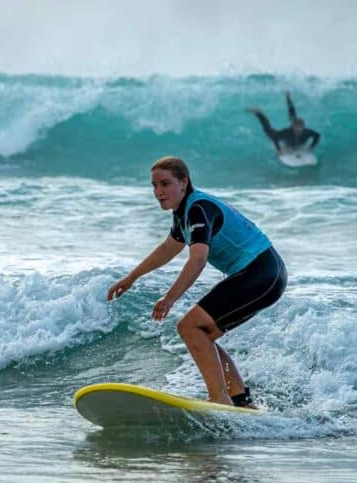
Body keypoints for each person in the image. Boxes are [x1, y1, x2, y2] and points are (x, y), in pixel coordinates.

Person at [107, 157, 287, 407]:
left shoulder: (198, 209)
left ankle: (219, 398)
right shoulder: (184, 212)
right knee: (202, 334)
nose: (159, 192)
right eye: (154, 185)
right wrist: (132, 277)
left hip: (260, 272)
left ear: (184, 182)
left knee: (190, 327)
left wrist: (170, 298)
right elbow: (169, 247)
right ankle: (240, 400)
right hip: (265, 274)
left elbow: (198, 259)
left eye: (165, 184)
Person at [246, 91, 320, 154]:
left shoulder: (307, 132)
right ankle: (260, 113)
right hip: (285, 140)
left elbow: (317, 135)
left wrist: (312, 147)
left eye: (300, 130)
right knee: (268, 131)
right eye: (296, 129)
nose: (298, 131)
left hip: (295, 139)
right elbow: (275, 138)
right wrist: (279, 150)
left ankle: (288, 98)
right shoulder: (287, 132)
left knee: (293, 117)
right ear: (292, 127)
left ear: (303, 127)